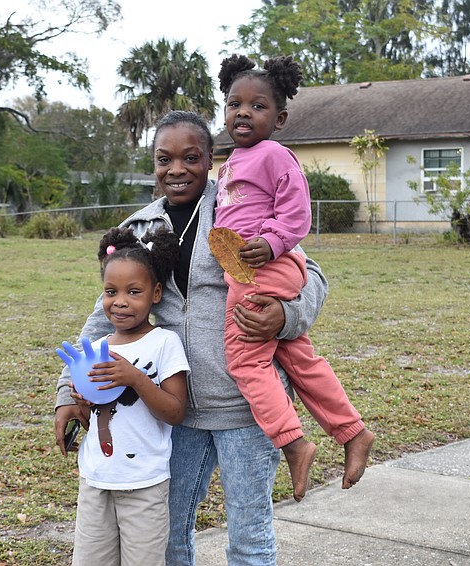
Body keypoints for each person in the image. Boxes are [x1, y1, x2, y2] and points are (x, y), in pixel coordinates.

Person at [54, 110, 328, 566]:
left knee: (249, 537)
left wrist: (285, 314)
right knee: (167, 534)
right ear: (154, 163)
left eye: (191, 158)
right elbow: (101, 320)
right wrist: (68, 390)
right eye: (165, 159)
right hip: (172, 415)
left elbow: (311, 275)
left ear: (211, 160)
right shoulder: (139, 230)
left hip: (246, 408)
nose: (177, 170)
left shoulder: (241, 207)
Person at [215, 54, 374, 502]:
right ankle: (352, 431)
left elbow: (296, 212)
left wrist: (272, 241)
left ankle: (293, 443)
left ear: (279, 118)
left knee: (245, 359)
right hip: (251, 267)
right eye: (234, 104)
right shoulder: (230, 162)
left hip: (263, 267)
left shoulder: (275, 155)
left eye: (257, 106)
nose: (243, 112)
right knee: (298, 357)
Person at [63, 226, 190, 566]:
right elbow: (96, 414)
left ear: (156, 293)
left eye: (134, 292)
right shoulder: (98, 349)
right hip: (96, 479)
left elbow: (176, 411)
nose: (120, 301)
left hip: (145, 485)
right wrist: (82, 401)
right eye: (110, 291)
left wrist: (135, 378)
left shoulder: (164, 343)